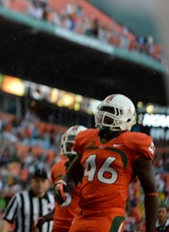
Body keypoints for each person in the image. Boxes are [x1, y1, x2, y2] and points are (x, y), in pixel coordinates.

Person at [54, 94, 158, 232]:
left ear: (126, 116)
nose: (104, 115)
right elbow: (72, 176)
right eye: (104, 110)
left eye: (111, 111)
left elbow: (151, 191)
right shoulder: (87, 138)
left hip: (109, 216)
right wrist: (62, 184)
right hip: (82, 214)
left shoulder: (134, 144)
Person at [35, 125, 86, 232]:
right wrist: (45, 218)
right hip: (57, 227)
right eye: (68, 145)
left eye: (73, 145)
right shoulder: (56, 169)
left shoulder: (88, 171)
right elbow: (60, 206)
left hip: (77, 227)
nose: (70, 148)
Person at [0, 165, 55, 232]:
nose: (40, 184)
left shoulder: (52, 199)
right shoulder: (19, 198)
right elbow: (7, 221)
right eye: (37, 181)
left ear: (48, 183)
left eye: (43, 181)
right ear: (32, 182)